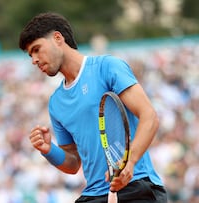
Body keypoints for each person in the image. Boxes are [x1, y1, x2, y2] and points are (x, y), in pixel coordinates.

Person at [18, 12, 167, 202]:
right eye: (31, 55)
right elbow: (73, 163)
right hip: (95, 194)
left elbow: (149, 116)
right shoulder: (56, 103)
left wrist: (129, 163)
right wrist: (48, 150)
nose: (34, 60)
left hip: (136, 185)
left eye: (37, 49)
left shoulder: (107, 67)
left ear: (57, 38)